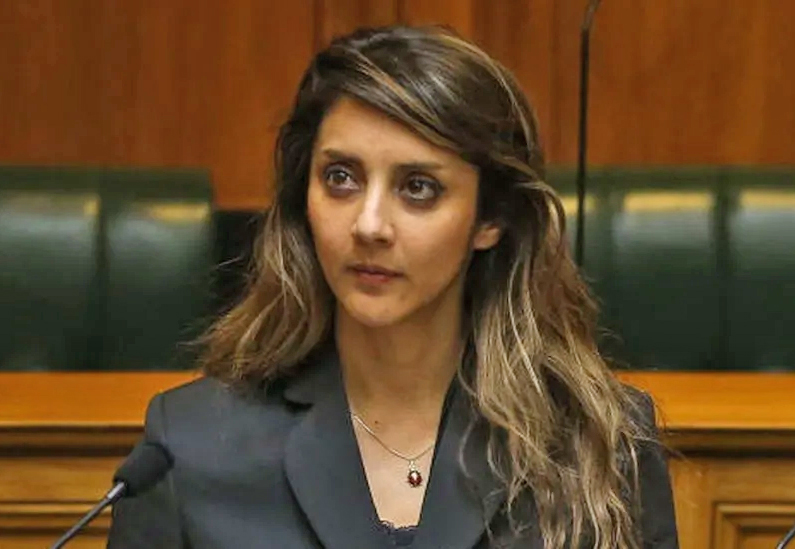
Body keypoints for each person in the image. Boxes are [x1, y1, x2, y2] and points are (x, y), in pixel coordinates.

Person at [107, 25, 679, 549]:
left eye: (418, 188)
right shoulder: (190, 447)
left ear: (491, 218)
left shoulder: (598, 445)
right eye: (340, 178)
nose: (369, 225)